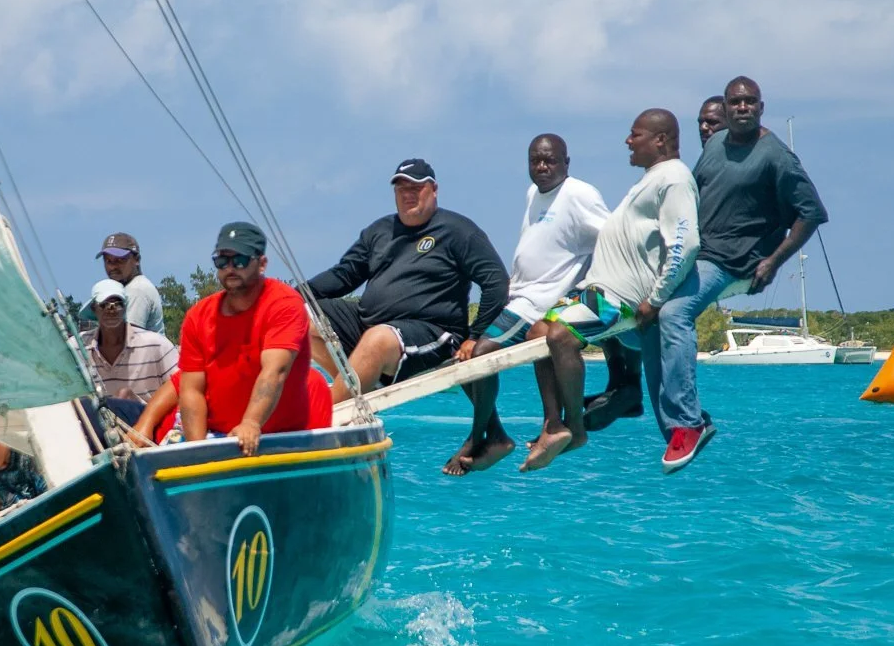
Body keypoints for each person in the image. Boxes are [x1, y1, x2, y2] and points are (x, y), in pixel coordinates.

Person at [643, 76, 829, 472]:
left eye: (750, 102)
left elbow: (811, 213)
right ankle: (674, 425)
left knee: (674, 314)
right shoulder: (714, 144)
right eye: (735, 102)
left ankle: (687, 424)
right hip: (698, 251)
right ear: (724, 109)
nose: (742, 108)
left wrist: (774, 260)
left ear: (761, 108)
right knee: (645, 320)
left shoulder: (776, 155)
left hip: (734, 259)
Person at [519, 109, 699, 472]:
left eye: (635, 135)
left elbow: (685, 244)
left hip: (620, 297)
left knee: (560, 335)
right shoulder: (652, 178)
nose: (627, 141)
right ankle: (553, 425)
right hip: (598, 289)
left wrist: (657, 298)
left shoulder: (675, 178)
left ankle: (576, 428)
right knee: (537, 333)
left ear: (660, 140)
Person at [443, 134, 609, 475]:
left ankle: (482, 439)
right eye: (535, 160)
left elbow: (611, 237)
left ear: (567, 162)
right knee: (460, 359)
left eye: (549, 160)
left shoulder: (579, 194)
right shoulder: (534, 193)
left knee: (481, 353)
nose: (542, 167)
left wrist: (588, 289)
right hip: (519, 297)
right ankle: (506, 433)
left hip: (536, 302)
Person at [307, 159, 508, 402]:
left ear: (434, 190)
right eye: (401, 189)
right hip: (369, 324)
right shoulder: (380, 230)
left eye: (415, 188)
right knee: (297, 314)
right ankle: (355, 393)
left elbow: (496, 282)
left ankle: (327, 416)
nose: (407, 195)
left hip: (432, 332)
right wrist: (290, 294)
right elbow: (344, 275)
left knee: (378, 338)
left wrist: (476, 336)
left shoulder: (458, 231)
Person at [178, 222, 314, 456]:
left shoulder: (284, 304)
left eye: (239, 261)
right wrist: (197, 451)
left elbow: (275, 371)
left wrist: (251, 423)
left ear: (262, 264)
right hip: (216, 436)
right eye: (222, 261)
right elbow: (191, 391)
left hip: (282, 440)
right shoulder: (197, 316)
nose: (230, 268)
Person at [132, 367, 334, 446]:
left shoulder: (312, 387)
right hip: (152, 441)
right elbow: (179, 383)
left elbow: (308, 455)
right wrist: (145, 425)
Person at [85, 278, 177, 401]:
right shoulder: (76, 347)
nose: (111, 310)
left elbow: (184, 388)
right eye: (104, 305)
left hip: (149, 418)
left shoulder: (158, 346)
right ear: (93, 309)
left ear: (125, 307)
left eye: (118, 304)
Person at [79, 232, 165, 334]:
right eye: (108, 261)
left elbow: (128, 340)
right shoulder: (127, 289)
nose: (113, 267)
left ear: (137, 260)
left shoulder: (137, 290)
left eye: (120, 260)